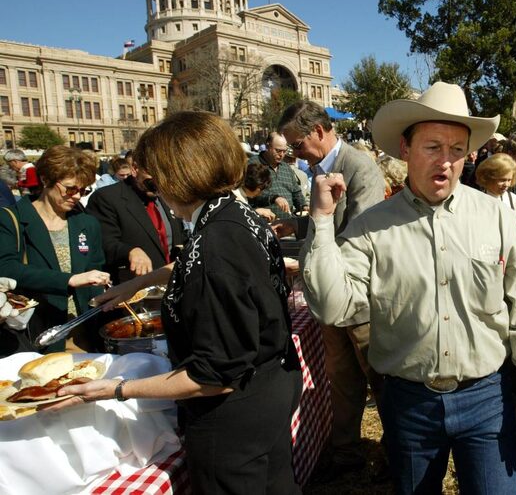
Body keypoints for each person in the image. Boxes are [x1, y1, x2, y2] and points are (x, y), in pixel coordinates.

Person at [302, 82, 516, 494]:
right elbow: (333, 309)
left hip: (486, 400)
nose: (446, 162)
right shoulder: (370, 227)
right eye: (432, 147)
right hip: (408, 404)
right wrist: (320, 222)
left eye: (457, 150)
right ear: (405, 149)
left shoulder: (497, 217)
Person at [57, 111, 303, 494]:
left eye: (156, 175)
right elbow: (194, 261)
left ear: (177, 175)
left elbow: (214, 376)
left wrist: (117, 390)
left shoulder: (217, 244)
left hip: (234, 419)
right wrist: (138, 283)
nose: (153, 186)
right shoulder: (234, 214)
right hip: (270, 389)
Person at [278, 100, 387, 481]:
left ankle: (397, 454)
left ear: (319, 132)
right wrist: (296, 228)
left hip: (360, 303)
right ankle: (345, 453)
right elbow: (322, 223)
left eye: (297, 145)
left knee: (380, 380)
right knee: (341, 380)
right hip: (327, 301)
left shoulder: (361, 167)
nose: (295, 154)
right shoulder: (317, 171)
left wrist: (314, 263)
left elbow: (361, 235)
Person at [0, 146, 110, 355]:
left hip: (82, 333)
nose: (77, 196)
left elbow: (95, 268)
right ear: (45, 179)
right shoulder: (10, 219)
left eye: (83, 190)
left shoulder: (87, 223)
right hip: (35, 333)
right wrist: (68, 280)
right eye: (70, 189)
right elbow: (6, 268)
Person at [86, 161, 185, 284]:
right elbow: (103, 242)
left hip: (172, 285)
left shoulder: (166, 196)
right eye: (153, 175)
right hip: (133, 288)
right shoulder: (107, 198)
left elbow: (179, 234)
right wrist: (130, 251)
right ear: (135, 169)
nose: (159, 182)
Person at [248, 132, 306, 218]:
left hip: (288, 221)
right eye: (278, 150)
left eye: (284, 151)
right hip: (264, 221)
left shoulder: (286, 167)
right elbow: (250, 191)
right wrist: (274, 198)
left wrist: (303, 206)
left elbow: (296, 192)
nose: (281, 155)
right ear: (268, 146)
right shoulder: (254, 164)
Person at [475, 153, 516, 221]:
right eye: (502, 180)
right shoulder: (478, 200)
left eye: (509, 180)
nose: (506, 184)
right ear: (489, 178)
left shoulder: (512, 198)